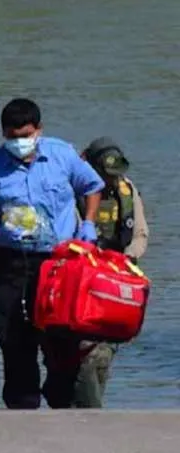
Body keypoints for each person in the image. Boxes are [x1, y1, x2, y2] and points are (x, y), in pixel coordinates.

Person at [0, 97, 105, 410]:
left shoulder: (61, 154)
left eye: (25, 135)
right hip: (13, 260)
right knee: (13, 336)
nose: (19, 142)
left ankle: (62, 400)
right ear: (3, 134)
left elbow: (92, 186)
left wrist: (88, 224)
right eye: (12, 137)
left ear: (38, 129)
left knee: (62, 337)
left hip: (59, 262)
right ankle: (22, 407)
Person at [71, 137, 150, 408]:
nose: (110, 181)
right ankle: (85, 410)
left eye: (114, 175)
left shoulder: (128, 191)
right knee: (84, 351)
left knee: (103, 353)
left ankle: (89, 410)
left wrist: (127, 259)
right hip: (82, 280)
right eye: (105, 175)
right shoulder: (72, 191)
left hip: (114, 281)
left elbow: (140, 234)